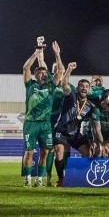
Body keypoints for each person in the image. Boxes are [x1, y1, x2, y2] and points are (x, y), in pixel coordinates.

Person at [22, 41, 63, 187]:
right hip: (31, 123)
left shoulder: (51, 87)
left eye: (45, 73)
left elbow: (60, 72)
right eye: (41, 72)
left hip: (45, 125)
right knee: (29, 152)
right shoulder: (30, 85)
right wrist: (37, 52)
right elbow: (26, 67)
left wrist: (57, 54)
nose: (44, 74)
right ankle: (27, 179)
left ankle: (39, 180)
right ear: (36, 75)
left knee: (45, 152)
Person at [53, 62, 101, 186]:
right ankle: (61, 179)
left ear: (89, 89)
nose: (84, 88)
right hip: (61, 131)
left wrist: (94, 140)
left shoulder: (90, 106)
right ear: (78, 87)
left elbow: (94, 125)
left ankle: (82, 177)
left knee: (87, 153)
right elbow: (64, 84)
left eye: (86, 86)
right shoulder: (71, 96)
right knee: (59, 151)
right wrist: (68, 70)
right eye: (81, 86)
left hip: (74, 134)